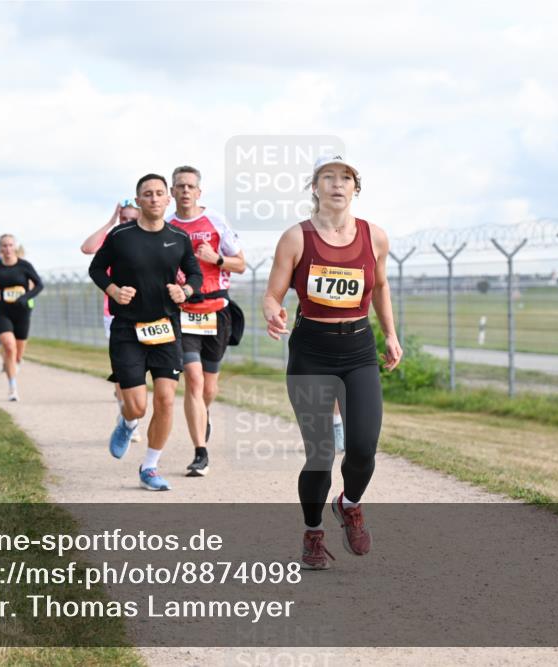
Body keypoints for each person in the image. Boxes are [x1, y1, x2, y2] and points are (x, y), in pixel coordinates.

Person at [261, 155, 402, 570]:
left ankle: (350, 504)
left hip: (358, 350)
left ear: (356, 188)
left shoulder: (375, 236)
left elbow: (380, 287)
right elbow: (273, 294)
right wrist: (272, 311)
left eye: (346, 178)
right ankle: (312, 532)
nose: (337, 184)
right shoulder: (295, 237)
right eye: (328, 177)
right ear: (315, 187)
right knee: (321, 454)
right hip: (311, 351)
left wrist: (391, 334)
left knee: (362, 448)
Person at [88, 173, 203, 492]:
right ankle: (127, 423)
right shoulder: (121, 236)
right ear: (138, 201)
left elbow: (194, 274)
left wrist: (187, 291)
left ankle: (150, 466)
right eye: (147, 194)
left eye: (159, 193)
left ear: (169, 200)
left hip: (166, 328)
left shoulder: (178, 238)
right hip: (127, 329)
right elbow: (96, 268)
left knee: (166, 400)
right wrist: (112, 290)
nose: (154, 198)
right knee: (137, 405)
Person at [166, 166, 246, 477]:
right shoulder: (167, 226)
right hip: (183, 312)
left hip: (217, 312)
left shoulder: (215, 222)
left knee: (208, 387)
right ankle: (200, 452)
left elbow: (241, 264)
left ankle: (204, 412)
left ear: (199, 192)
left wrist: (218, 259)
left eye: (190, 186)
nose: (185, 191)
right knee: (194, 381)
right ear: (172, 192)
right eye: (180, 186)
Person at [81, 198, 143, 443]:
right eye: (123, 218)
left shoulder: (150, 238)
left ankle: (132, 409)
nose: (127, 223)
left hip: (150, 312)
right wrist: (110, 222)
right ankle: (128, 418)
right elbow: (87, 248)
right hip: (115, 312)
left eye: (131, 219)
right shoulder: (114, 239)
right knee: (123, 368)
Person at [0, 234, 44, 401]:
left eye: (10, 245)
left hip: (22, 312)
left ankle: (13, 363)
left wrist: (26, 297)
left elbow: (39, 285)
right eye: (4, 246)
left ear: (15, 247)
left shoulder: (24, 266)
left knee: (17, 353)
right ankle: (12, 388)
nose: (8, 249)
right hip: (2, 311)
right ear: (0, 248)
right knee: (9, 346)